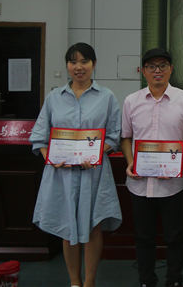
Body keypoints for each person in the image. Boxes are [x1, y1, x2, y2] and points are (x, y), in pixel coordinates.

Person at [30, 43, 122, 287]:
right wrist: (50, 156)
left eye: (84, 61)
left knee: (93, 226)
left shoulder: (106, 97)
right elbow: (39, 137)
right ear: (67, 66)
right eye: (73, 62)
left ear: (93, 64)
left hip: (93, 172)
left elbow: (114, 137)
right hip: (62, 173)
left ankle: (89, 282)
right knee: (67, 226)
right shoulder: (54, 98)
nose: (78, 67)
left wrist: (95, 153)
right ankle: (74, 282)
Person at [121, 48, 183, 287]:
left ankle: (174, 280)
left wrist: (177, 160)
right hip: (140, 183)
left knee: (174, 236)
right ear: (143, 71)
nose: (157, 71)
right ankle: (146, 281)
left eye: (163, 66)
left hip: (173, 183)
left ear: (171, 69)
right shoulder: (131, 101)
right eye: (152, 66)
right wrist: (130, 161)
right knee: (143, 237)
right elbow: (126, 137)